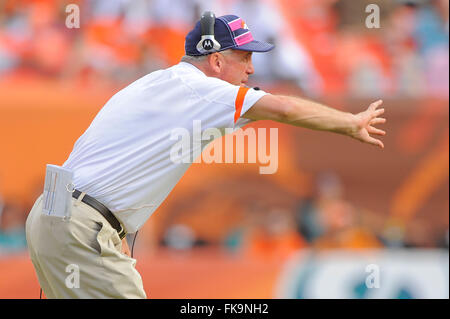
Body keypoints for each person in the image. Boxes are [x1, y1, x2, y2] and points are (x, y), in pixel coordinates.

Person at [25, 12, 386, 299]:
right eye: (244, 57)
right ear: (215, 61)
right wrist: (350, 123)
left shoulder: (159, 82)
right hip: (80, 225)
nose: (251, 68)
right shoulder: (205, 90)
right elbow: (286, 109)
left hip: (55, 216)